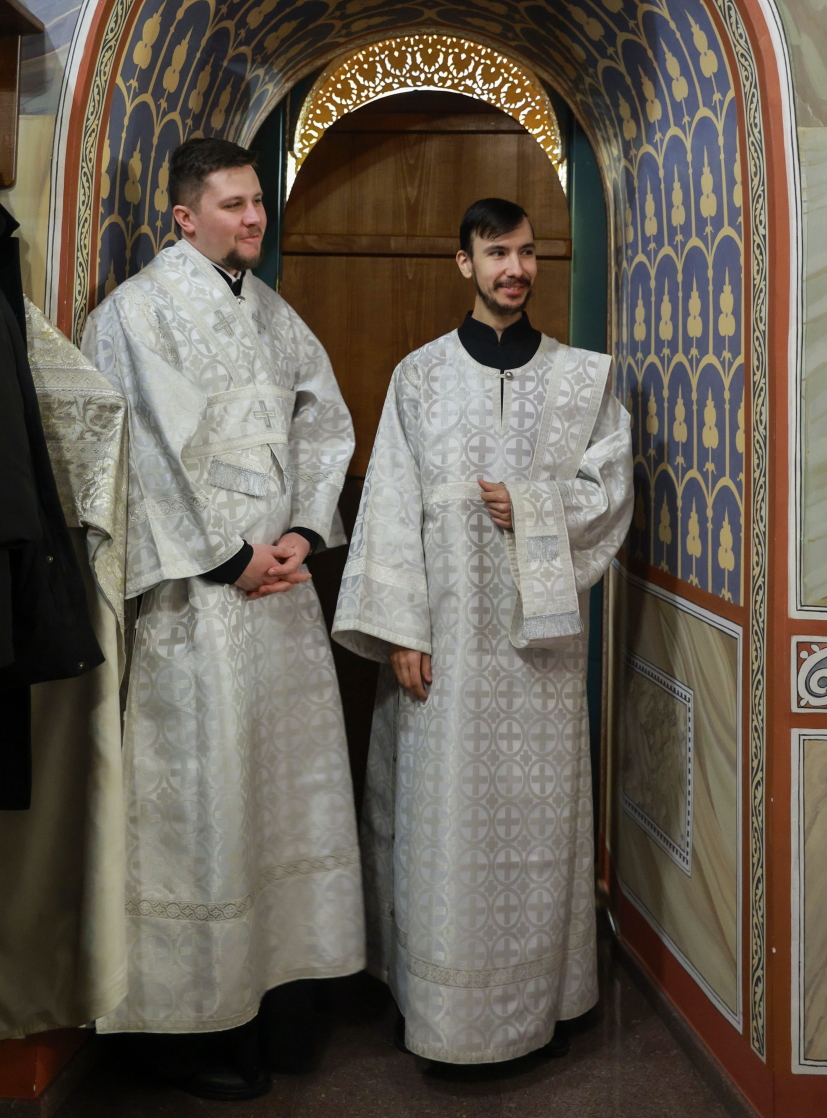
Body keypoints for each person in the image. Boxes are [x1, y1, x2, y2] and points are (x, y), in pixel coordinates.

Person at [82, 137, 365, 1099]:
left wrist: (300, 531)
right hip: (196, 605)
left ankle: (283, 1003)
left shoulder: (275, 314)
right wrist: (227, 556)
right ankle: (197, 1029)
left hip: (280, 595)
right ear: (184, 215)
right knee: (207, 806)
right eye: (235, 204)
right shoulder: (136, 312)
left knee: (280, 799)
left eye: (256, 202)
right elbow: (142, 451)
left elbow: (324, 421)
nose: (254, 218)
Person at [332, 197, 633, 1066]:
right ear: (463, 262)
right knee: (441, 825)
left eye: (527, 253)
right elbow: (389, 507)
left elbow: (610, 492)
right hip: (447, 646)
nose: (515, 269)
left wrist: (533, 504)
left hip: (541, 656)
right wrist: (401, 630)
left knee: (539, 829)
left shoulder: (583, 380)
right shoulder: (419, 376)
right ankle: (438, 1007)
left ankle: (544, 999)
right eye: (497, 253)